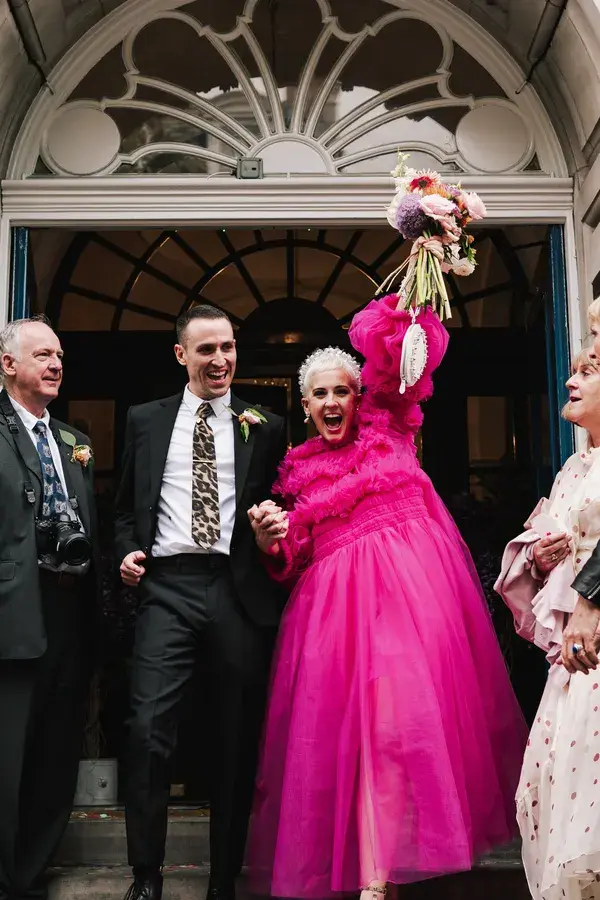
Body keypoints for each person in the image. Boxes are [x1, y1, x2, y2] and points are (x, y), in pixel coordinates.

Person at [247, 292, 527, 900]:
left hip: (405, 606)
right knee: (356, 743)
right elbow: (294, 555)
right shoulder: (296, 471)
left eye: (340, 391)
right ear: (303, 404)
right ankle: (376, 873)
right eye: (318, 394)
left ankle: (385, 870)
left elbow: (408, 358)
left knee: (400, 731)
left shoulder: (389, 426)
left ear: (358, 396)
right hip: (332, 621)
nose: (330, 402)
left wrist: (423, 264)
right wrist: (272, 541)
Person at [115, 305, 286, 900]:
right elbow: (122, 509)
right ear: (181, 355)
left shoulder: (265, 423)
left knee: (235, 738)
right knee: (147, 730)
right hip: (167, 588)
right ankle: (145, 876)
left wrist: (272, 529)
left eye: (229, 347)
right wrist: (127, 551)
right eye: (207, 349)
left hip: (237, 591)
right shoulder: (144, 420)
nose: (221, 360)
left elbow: (281, 505)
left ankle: (223, 882)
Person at [495, 347, 600, 900]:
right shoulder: (574, 468)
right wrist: (539, 560)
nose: (569, 380)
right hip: (571, 671)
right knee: (550, 800)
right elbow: (532, 559)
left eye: (587, 372)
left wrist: (591, 599)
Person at [0, 315, 98, 900]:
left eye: (59, 354)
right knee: (11, 755)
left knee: (56, 753)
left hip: (68, 613)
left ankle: (28, 873)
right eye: (42, 355)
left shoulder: (73, 439)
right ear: (8, 364)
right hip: (13, 613)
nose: (56, 363)